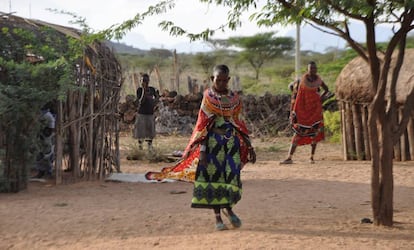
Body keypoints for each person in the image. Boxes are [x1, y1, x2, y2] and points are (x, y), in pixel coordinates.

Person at [145, 64, 256, 231]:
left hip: (231, 145)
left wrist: (249, 146)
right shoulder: (208, 98)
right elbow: (203, 127)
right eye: (219, 80)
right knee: (213, 181)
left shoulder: (234, 99)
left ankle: (230, 210)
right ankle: (218, 217)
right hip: (212, 146)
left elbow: (238, 123)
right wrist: (202, 152)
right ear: (213, 79)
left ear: (229, 80)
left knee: (230, 179)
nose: (222, 83)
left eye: (225, 80)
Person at [280, 61, 329, 165]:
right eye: (311, 68)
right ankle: (289, 157)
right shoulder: (301, 80)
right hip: (303, 111)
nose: (312, 70)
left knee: (314, 134)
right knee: (297, 133)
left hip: (315, 110)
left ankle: (311, 157)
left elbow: (327, 89)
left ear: (316, 69)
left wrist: (320, 98)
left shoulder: (319, 80)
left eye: (314, 68)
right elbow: (292, 88)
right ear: (308, 69)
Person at [133, 73, 159, 151]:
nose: (144, 82)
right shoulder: (140, 90)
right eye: (143, 80)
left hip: (150, 113)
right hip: (142, 113)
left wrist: (156, 98)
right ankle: (140, 147)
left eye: (146, 80)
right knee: (141, 131)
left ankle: (150, 147)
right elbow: (141, 101)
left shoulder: (152, 89)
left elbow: (156, 99)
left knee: (150, 131)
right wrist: (144, 90)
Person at [32, 104, 56, 178]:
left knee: (48, 155)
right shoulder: (40, 114)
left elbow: (51, 129)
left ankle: (49, 172)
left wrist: (45, 135)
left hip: (47, 137)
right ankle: (41, 171)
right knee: (39, 155)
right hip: (41, 137)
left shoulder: (48, 116)